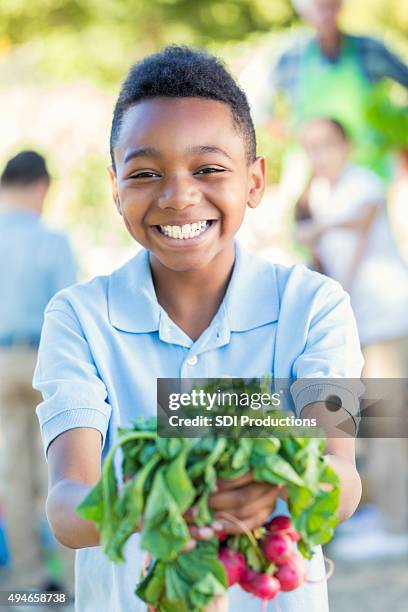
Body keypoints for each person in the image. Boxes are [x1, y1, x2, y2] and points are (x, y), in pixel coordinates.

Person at [33, 47, 364, 612]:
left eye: (209, 168)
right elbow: (68, 506)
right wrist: (166, 506)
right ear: (115, 188)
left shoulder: (317, 305)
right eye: (144, 173)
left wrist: (277, 483)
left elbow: (342, 478)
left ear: (256, 181)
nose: (179, 195)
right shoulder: (77, 318)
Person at [295, 117, 408, 558]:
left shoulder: (361, 182)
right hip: (357, 321)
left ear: (345, 145)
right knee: (365, 421)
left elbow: (360, 228)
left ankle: (398, 523)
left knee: (390, 422)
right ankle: (380, 512)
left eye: (326, 145)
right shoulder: (320, 193)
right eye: (311, 147)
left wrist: (320, 232)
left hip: (385, 316)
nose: (319, 155)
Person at [0, 151, 77, 590]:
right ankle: (71, 576)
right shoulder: (51, 240)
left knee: (12, 470)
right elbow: (68, 310)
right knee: (60, 466)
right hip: (43, 357)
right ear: (41, 187)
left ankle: (28, 582)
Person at [243, 0, 408, 180]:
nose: (325, 14)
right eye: (319, 7)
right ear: (304, 11)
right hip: (309, 172)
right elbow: (256, 107)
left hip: (368, 171)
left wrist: (394, 133)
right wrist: (297, 135)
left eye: (330, 5)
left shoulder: (370, 49)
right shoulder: (290, 56)